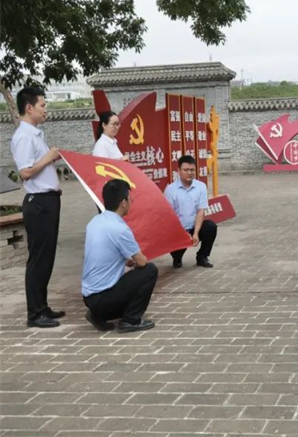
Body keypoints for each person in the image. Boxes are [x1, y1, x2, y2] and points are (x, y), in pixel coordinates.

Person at [10, 86, 64, 328]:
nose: (45, 109)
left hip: (49, 201)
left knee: (47, 256)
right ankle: (34, 313)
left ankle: (42, 306)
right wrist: (49, 158)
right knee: (39, 259)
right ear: (29, 107)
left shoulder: (35, 134)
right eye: (42, 105)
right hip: (39, 203)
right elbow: (26, 173)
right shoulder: (23, 137)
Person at [82, 179, 158, 333]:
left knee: (130, 277)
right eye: (130, 198)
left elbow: (106, 251)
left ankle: (98, 314)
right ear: (123, 203)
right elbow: (142, 262)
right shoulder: (120, 228)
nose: (131, 201)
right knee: (150, 270)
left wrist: (127, 261)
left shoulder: (94, 222)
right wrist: (135, 264)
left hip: (89, 297)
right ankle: (131, 320)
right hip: (103, 297)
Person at [165, 155, 217, 268]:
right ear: (178, 171)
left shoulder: (201, 187)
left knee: (210, 227)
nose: (189, 172)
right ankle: (177, 258)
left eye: (192, 170)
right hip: (178, 230)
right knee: (176, 255)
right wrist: (183, 234)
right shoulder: (170, 190)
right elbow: (170, 216)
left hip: (194, 227)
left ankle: (202, 257)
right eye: (186, 170)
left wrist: (196, 233)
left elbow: (200, 211)